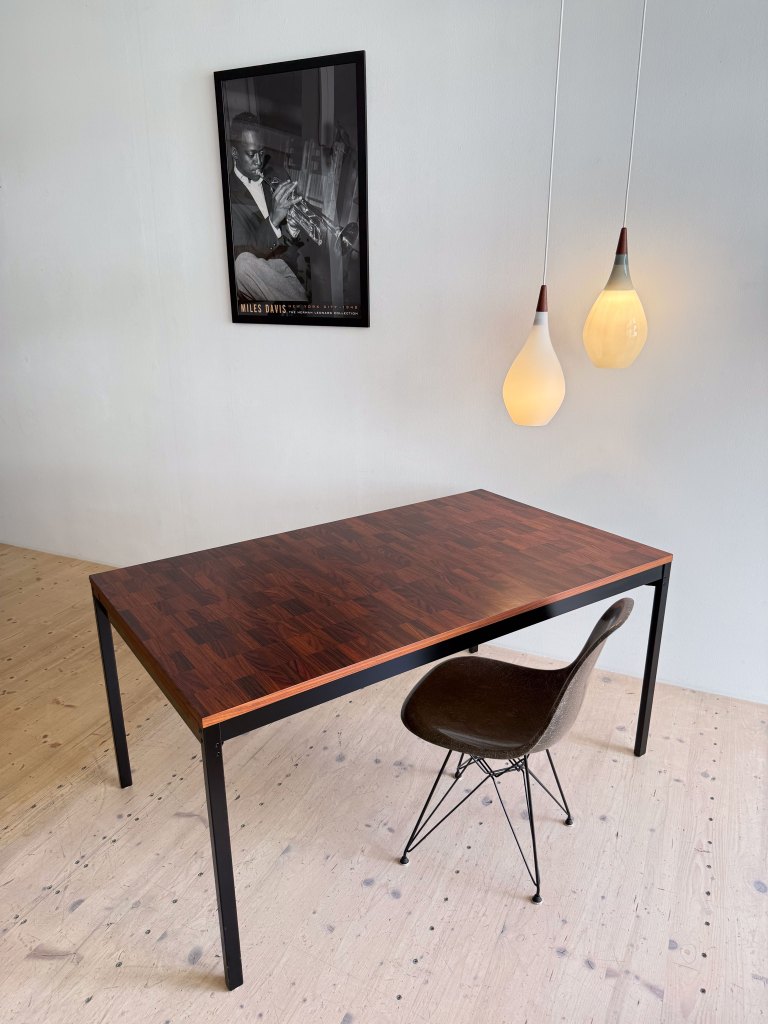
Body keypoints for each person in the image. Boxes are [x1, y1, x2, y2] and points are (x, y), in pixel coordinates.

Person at [227, 112, 307, 303]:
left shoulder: (278, 173)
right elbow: (243, 255)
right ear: (235, 153)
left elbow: (294, 243)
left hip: (288, 270)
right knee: (242, 265)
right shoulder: (228, 194)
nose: (259, 161)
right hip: (258, 282)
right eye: (251, 154)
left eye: (262, 153)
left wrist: (293, 227)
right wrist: (274, 220)